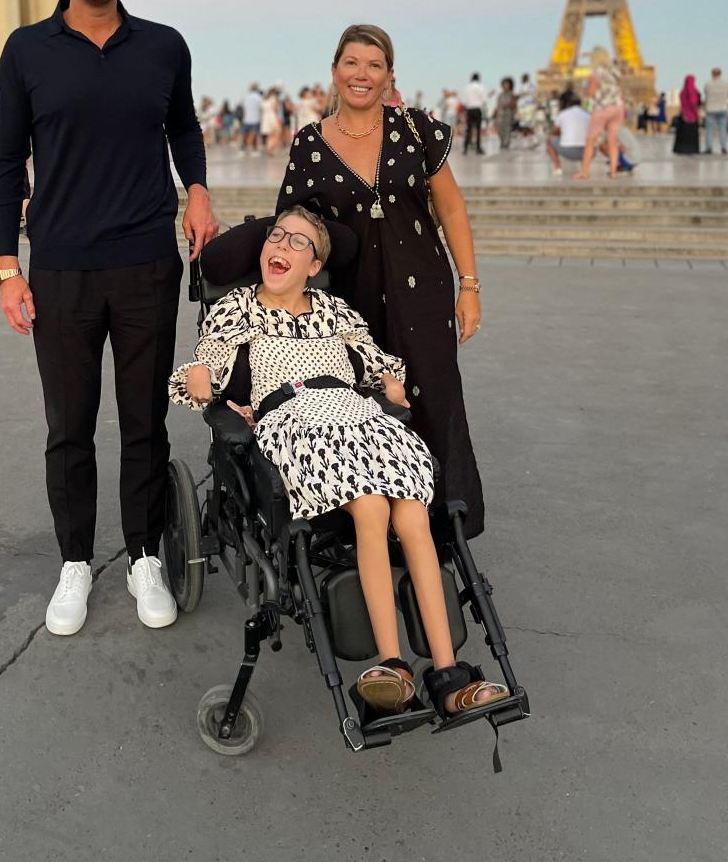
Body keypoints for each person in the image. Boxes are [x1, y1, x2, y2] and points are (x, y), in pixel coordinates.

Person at [0, 0, 218, 639]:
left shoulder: (163, 46)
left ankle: (145, 554)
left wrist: (200, 191)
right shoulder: (27, 50)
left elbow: (181, 124)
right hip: (59, 268)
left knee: (146, 422)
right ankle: (76, 563)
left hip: (146, 261)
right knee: (70, 426)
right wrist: (6, 267)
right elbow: (2, 164)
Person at [171, 206, 507, 715]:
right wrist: (202, 379)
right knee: (371, 506)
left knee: (414, 512)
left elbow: (374, 360)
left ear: (315, 265)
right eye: (275, 237)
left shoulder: (334, 310)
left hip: (357, 413)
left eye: (297, 242)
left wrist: (390, 380)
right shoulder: (238, 306)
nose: (280, 247)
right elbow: (210, 360)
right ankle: (393, 665)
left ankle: (448, 673)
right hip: (295, 419)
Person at [278, 24, 484, 541]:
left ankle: (443, 529)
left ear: (389, 76)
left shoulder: (417, 130)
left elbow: (452, 209)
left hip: (424, 294)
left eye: (374, 65)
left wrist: (470, 285)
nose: (361, 75)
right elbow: (294, 229)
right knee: (364, 413)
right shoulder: (310, 144)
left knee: (433, 400)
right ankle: (372, 529)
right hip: (351, 306)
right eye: (351, 63)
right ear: (334, 72)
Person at [574, 47, 624, 180]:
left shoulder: (596, 72)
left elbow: (590, 92)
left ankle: (584, 172)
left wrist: (584, 90)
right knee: (613, 141)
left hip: (602, 108)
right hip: (618, 108)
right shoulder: (615, 71)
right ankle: (613, 172)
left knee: (590, 141)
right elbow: (619, 89)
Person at [702, 67, 728, 156]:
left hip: (711, 109)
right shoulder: (727, 84)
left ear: (712, 74)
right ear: (720, 74)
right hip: (723, 109)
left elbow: (706, 94)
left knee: (710, 130)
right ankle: (723, 147)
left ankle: (709, 148)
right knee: (723, 129)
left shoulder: (708, 84)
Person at [673, 76, 701, 155]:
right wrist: (696, 113)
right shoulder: (693, 91)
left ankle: (681, 149)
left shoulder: (683, 91)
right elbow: (693, 103)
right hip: (692, 115)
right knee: (691, 134)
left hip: (683, 114)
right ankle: (691, 149)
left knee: (683, 134)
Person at [461, 72, 486, 154]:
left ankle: (465, 148)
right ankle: (478, 148)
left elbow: (464, 100)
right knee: (478, 129)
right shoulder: (481, 87)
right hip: (477, 109)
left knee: (469, 129)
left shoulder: (467, 87)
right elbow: (484, 100)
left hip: (469, 109)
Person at [494, 77, 516, 150]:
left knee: (507, 129)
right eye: (504, 84)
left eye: (507, 84)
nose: (505, 86)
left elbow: (513, 104)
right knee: (500, 129)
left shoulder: (512, 94)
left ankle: (506, 143)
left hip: (508, 113)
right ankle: (503, 141)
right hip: (500, 114)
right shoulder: (500, 95)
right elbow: (497, 105)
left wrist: (507, 106)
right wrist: (495, 112)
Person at [240, 84, 262, 154]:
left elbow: (241, 106)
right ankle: (254, 149)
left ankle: (243, 148)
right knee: (254, 134)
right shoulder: (258, 97)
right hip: (255, 118)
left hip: (246, 118)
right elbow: (261, 107)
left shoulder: (245, 96)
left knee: (245, 134)